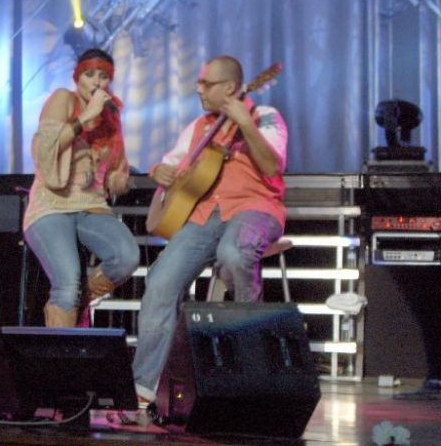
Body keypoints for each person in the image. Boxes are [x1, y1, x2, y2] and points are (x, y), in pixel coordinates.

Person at [132, 55, 288, 403]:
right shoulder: (199, 126)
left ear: (230, 87)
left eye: (206, 83)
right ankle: (146, 384)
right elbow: (172, 164)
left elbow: (271, 166)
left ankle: (252, 361)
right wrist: (159, 170)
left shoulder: (265, 117)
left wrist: (245, 124)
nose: (198, 89)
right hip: (203, 216)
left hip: (254, 208)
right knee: (161, 281)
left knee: (233, 253)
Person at [23, 48, 139, 327]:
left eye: (103, 77)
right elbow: (44, 151)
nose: (97, 82)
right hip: (51, 205)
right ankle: (62, 350)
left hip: (91, 205)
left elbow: (114, 173)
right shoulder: (63, 99)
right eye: (89, 75)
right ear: (77, 78)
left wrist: (120, 181)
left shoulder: (111, 118)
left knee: (126, 257)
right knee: (66, 284)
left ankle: (78, 300)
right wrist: (85, 117)